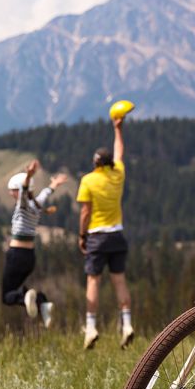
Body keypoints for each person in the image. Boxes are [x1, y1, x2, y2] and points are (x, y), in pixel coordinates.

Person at [76, 115, 133, 350]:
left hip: (97, 237)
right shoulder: (118, 174)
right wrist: (118, 130)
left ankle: (90, 328)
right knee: (119, 281)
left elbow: (85, 212)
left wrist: (82, 236)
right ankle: (127, 324)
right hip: (117, 235)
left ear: (96, 163)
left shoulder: (88, 180)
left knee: (93, 281)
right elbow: (119, 152)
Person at [1, 159, 68, 328]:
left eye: (12, 191)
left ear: (19, 191)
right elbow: (46, 193)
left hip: (16, 254)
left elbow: (24, 192)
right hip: (30, 257)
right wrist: (54, 184)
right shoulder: (36, 205)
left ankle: (25, 297)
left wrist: (29, 175)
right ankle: (42, 302)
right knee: (15, 288)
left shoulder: (22, 206)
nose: (10, 194)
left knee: (6, 296)